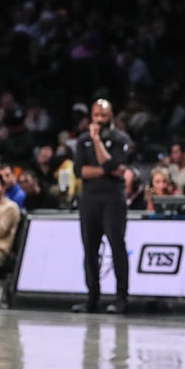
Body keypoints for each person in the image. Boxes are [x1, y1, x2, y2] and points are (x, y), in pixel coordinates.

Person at [72, 99, 132, 314]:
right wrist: (107, 169)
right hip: (89, 198)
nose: (99, 120)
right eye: (96, 115)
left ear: (111, 116)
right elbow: (80, 171)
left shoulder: (121, 138)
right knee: (90, 249)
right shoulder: (82, 141)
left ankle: (121, 298)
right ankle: (92, 297)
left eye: (103, 116)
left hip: (113, 198)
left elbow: (113, 167)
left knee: (117, 247)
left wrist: (97, 141)